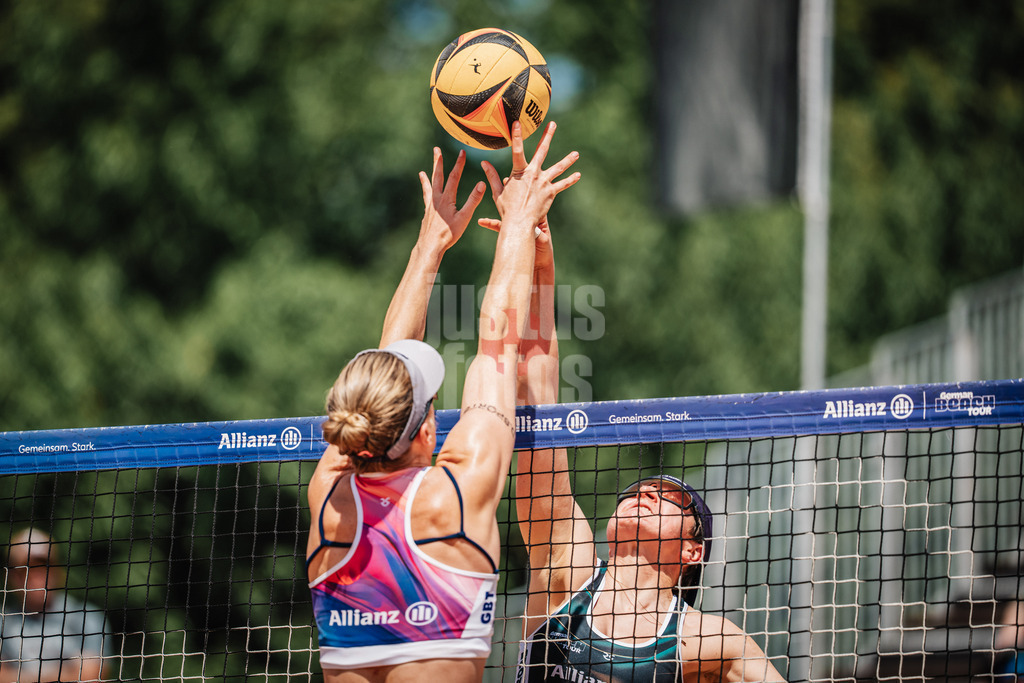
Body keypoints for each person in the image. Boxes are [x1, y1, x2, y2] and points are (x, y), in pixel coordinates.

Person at [305, 121, 580, 683]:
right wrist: (519, 227)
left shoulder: (330, 499)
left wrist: (429, 248)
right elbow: (498, 345)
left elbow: (384, 368)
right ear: (428, 431)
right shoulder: (459, 490)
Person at [512, 232, 786, 682]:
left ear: (693, 550)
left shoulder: (709, 640)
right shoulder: (570, 571)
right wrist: (539, 265)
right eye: (639, 490)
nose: (645, 493)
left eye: (669, 498)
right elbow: (538, 396)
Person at [0, 528, 111, 682]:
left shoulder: (86, 618)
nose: (37, 578)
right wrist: (66, 673)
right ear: (12, 577)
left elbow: (91, 677)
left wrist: (19, 676)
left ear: (57, 570)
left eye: (43, 567)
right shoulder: (4, 622)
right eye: (27, 570)